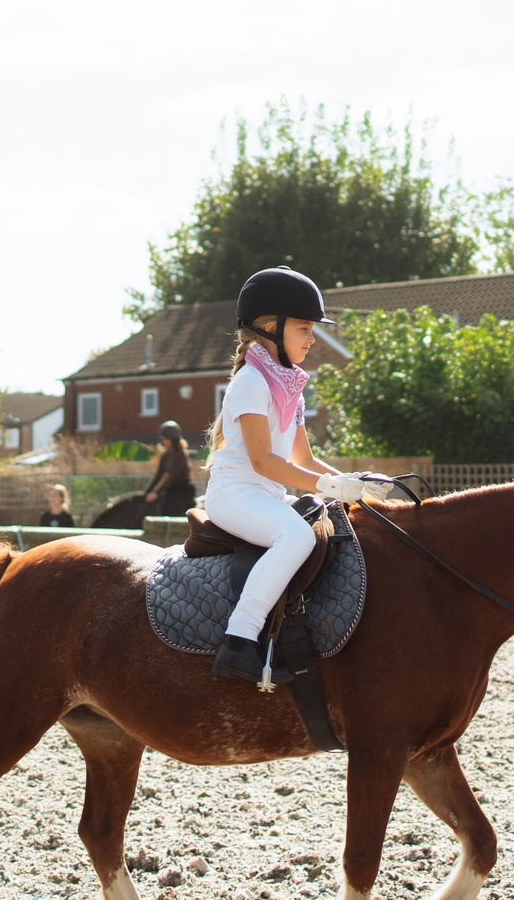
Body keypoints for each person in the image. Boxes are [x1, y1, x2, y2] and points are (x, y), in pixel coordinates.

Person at [202, 267, 375, 683]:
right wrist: (330, 486)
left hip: (265, 494)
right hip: (234, 493)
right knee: (296, 537)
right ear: (270, 328)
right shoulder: (251, 381)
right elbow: (264, 461)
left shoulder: (288, 386)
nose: (312, 339)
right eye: (304, 328)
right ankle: (239, 642)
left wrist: (355, 485)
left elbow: (304, 459)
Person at [142, 421, 198, 518]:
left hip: (182, 490)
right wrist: (146, 492)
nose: (165, 441)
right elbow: (158, 475)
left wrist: (156, 493)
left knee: (171, 509)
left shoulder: (181, 454)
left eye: (167, 439)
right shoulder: (165, 454)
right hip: (171, 489)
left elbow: (172, 476)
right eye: (164, 439)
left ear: (174, 439)